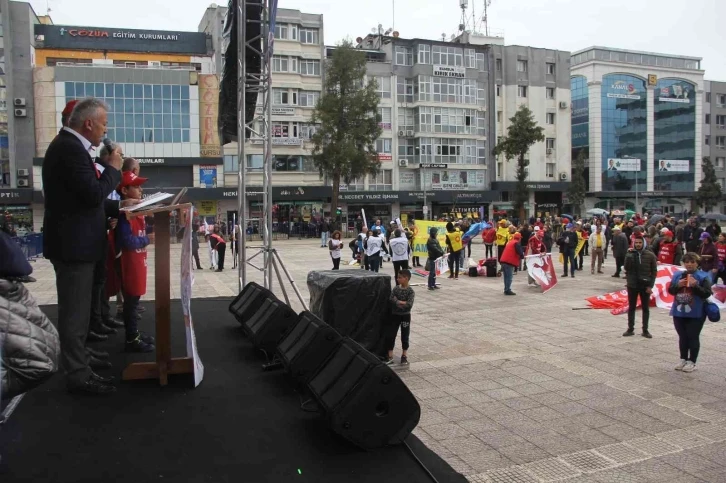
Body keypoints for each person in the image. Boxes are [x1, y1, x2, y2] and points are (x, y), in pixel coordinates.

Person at [42, 98, 133, 395]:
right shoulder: (68, 149)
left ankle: (80, 357)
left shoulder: (72, 148)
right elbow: (91, 194)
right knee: (74, 313)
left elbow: (86, 201)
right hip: (73, 247)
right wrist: (114, 169)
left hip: (80, 244)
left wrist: (120, 208)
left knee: (80, 311)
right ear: (89, 123)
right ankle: (78, 373)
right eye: (104, 123)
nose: (106, 130)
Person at [116, 171, 155, 353]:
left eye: (141, 186)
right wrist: (147, 239)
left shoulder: (137, 213)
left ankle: (135, 333)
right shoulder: (125, 215)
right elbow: (127, 241)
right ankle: (132, 339)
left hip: (139, 262)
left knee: (134, 302)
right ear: (124, 190)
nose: (141, 190)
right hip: (129, 264)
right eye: (136, 186)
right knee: (130, 304)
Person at [668, 253, 712, 372]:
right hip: (679, 311)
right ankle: (683, 358)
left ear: (697, 263)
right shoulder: (678, 275)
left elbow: (707, 293)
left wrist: (695, 286)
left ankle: (692, 361)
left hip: (696, 312)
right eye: (687, 262)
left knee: (693, 336)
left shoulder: (703, 276)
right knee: (682, 336)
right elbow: (670, 290)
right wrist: (678, 285)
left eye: (692, 262)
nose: (689, 264)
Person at [623, 235, 657, 338]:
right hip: (632, 284)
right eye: (636, 242)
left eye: (640, 242)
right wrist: (629, 256)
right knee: (632, 307)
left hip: (645, 285)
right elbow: (626, 268)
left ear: (644, 243)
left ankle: (645, 330)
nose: (638, 244)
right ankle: (630, 329)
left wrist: (650, 285)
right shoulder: (630, 253)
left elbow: (654, 271)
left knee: (645, 308)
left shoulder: (650, 255)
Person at [385, 269, 415, 365]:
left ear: (406, 278)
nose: (397, 279)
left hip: (405, 316)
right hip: (395, 315)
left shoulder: (410, 291)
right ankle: (390, 355)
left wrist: (397, 301)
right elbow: (391, 299)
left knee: (405, 335)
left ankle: (404, 355)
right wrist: (401, 302)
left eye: (400, 277)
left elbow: (409, 304)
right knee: (391, 334)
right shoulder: (396, 289)